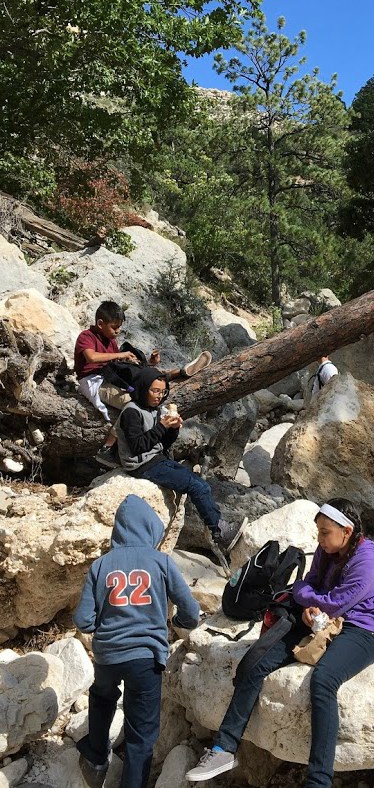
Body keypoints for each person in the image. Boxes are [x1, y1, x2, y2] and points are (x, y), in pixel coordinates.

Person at [186, 498, 374, 785]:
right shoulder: (326, 549)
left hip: (364, 630)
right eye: (318, 531)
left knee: (324, 680)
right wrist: (309, 606)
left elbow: (337, 601)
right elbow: (305, 584)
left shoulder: (366, 559)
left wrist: (311, 601)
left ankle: (318, 780)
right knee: (258, 661)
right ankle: (224, 748)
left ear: (346, 531)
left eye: (325, 532)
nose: (319, 539)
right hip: (319, 621)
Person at [73, 494, 200, 788]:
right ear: (149, 529)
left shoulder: (100, 565)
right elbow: (191, 612)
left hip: (107, 655)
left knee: (102, 695)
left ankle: (95, 755)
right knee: (141, 736)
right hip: (145, 657)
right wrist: (176, 624)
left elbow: (82, 620)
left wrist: (99, 626)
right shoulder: (161, 562)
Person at [114, 366, 247, 553]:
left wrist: (173, 428)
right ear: (143, 388)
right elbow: (138, 446)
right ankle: (219, 532)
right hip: (140, 465)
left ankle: (219, 526)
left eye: (162, 391)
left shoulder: (155, 409)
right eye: (154, 391)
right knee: (196, 486)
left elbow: (164, 442)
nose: (159, 396)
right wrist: (162, 425)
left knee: (199, 483)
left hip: (156, 459)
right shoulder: (131, 412)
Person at [74, 300, 212, 462]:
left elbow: (117, 364)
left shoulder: (110, 339)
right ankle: (107, 448)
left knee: (146, 380)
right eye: (114, 327)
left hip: (112, 376)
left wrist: (148, 362)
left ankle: (180, 372)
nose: (118, 331)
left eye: (120, 327)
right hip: (94, 381)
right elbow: (91, 357)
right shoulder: (86, 336)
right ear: (100, 324)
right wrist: (120, 355)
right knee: (133, 404)